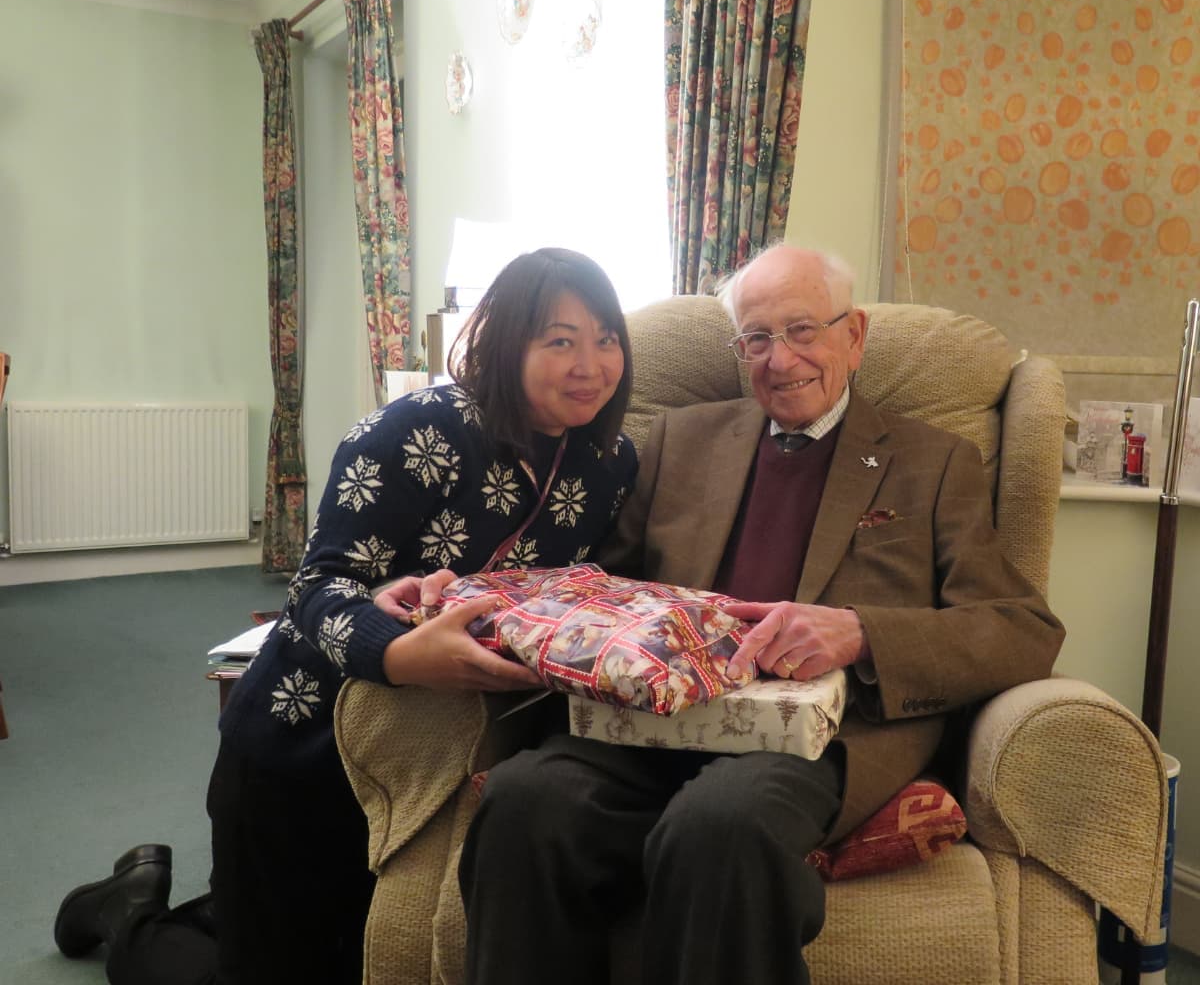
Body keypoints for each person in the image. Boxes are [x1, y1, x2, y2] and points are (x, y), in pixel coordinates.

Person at [454, 245, 1066, 985]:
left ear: (855, 335)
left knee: (721, 827)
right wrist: (476, 600)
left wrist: (862, 633)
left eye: (804, 331)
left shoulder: (934, 461)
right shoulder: (681, 439)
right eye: (757, 339)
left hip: (813, 739)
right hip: (657, 722)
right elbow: (605, 586)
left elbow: (1022, 628)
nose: (781, 360)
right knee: (524, 804)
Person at [53, 248, 638, 985]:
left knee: (336, 950)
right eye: (560, 340)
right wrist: (397, 655)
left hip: (428, 768)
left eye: (605, 338)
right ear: (504, 340)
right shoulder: (416, 431)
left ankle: (209, 909)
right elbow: (315, 589)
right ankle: (128, 912)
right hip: (302, 745)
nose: (590, 363)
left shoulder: (610, 462)